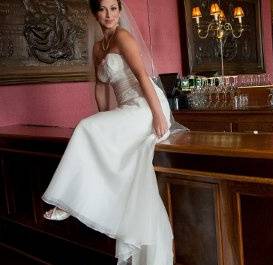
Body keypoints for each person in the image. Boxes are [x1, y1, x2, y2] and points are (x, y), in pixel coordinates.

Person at [41, 0, 183, 264]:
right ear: (95, 13)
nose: (109, 15)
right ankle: (73, 201)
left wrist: (160, 117)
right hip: (127, 109)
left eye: (114, 9)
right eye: (103, 9)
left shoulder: (123, 37)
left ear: (120, 11)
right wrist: (104, 117)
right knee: (92, 128)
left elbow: (142, 76)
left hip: (146, 105)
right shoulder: (98, 48)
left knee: (85, 127)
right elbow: (102, 86)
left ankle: (66, 202)